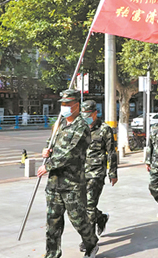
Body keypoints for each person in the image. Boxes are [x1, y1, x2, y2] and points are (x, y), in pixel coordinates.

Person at [37, 89, 99, 258]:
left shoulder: (82, 127)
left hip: (72, 184)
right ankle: (52, 253)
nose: (64, 107)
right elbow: (52, 144)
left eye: (67, 104)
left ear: (76, 105)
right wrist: (46, 150)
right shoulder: (60, 124)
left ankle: (91, 243)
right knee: (52, 221)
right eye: (62, 104)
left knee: (78, 220)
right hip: (54, 183)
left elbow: (70, 153)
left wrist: (48, 165)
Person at [77, 100, 118, 252]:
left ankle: (89, 240)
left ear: (95, 113)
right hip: (79, 173)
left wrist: (113, 172)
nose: (85, 117)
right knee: (81, 206)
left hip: (96, 173)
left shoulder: (105, 129)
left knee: (88, 206)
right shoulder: (79, 128)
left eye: (88, 114)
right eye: (83, 114)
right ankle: (101, 218)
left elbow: (112, 152)